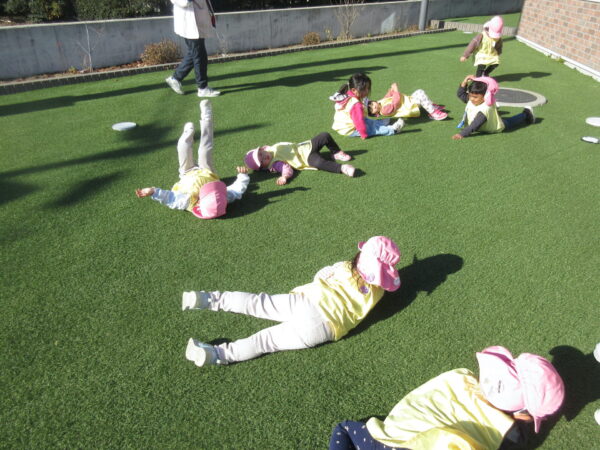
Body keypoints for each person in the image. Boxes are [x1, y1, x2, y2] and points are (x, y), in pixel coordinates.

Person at [183, 236, 401, 366]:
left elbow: (321, 275)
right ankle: (216, 354)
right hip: (324, 330)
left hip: (308, 302)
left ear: (360, 256)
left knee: (256, 303)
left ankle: (208, 299)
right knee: (264, 342)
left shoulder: (344, 266)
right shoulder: (378, 293)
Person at [329, 345, 565, 450]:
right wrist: (523, 420)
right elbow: (520, 440)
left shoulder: (460, 376)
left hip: (380, 441)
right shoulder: (509, 432)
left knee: (344, 428)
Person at [135, 100, 249, 219]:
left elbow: (170, 198)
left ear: (199, 203)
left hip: (187, 172)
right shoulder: (223, 198)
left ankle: (187, 132)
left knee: (183, 147)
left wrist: (153, 191)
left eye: (208, 192)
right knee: (205, 149)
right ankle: (207, 116)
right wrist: (243, 176)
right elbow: (236, 191)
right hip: (208, 173)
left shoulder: (186, 202)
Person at [243, 132, 356, 183]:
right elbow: (285, 168)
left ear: (262, 149)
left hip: (306, 147)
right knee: (319, 163)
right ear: (263, 167)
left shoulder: (270, 148)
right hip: (306, 158)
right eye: (262, 161)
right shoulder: (275, 163)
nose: (264, 157)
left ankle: (336, 152)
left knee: (324, 135)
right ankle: (343, 168)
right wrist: (284, 176)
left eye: (261, 154)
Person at [165, 0, 221, 97]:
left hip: (197, 20)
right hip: (189, 22)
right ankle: (202, 88)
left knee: (195, 53)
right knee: (199, 55)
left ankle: (175, 78)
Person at [452, 75, 535, 140]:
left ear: (485, 96)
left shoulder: (485, 109)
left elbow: (475, 125)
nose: (472, 99)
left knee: (509, 122)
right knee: (497, 117)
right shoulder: (471, 99)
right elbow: (461, 94)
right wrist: (464, 82)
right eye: (470, 95)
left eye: (475, 97)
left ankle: (526, 114)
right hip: (486, 123)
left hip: (493, 127)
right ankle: (495, 111)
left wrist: (462, 134)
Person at [332, 73, 402, 139]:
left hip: (343, 125)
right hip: (349, 129)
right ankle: (392, 130)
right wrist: (363, 133)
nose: (367, 91)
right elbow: (358, 121)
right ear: (354, 90)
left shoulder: (348, 94)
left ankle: (381, 123)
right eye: (364, 89)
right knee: (373, 129)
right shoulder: (355, 104)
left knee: (367, 121)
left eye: (368, 88)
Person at [367, 82, 448, 132]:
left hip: (408, 102)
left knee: (419, 92)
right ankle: (433, 113)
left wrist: (391, 90)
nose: (374, 106)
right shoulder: (384, 111)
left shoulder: (381, 102)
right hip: (409, 107)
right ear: (375, 114)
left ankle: (430, 106)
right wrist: (396, 90)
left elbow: (387, 97)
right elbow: (396, 103)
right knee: (420, 94)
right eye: (372, 109)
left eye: (372, 104)